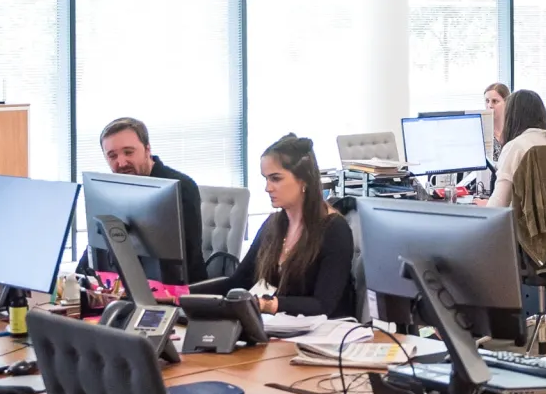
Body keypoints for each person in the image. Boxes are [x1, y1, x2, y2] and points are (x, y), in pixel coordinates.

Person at [216, 135, 355, 318]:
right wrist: (178, 294)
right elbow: (237, 283)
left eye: (276, 179)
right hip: (278, 329)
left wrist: (266, 304)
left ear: (304, 180)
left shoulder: (334, 229)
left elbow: (323, 304)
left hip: (323, 335)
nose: (268, 188)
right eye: (266, 179)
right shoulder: (273, 225)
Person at [96, 116, 207, 283]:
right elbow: (99, 241)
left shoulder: (180, 186)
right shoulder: (114, 190)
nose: (121, 162)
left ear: (147, 149)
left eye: (128, 152)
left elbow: (186, 256)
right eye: (112, 156)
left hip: (180, 290)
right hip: (131, 284)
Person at [487, 89, 546, 211]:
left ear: (511, 117)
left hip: (527, 227)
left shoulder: (516, 147)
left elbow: (497, 206)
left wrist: (483, 207)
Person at [484, 82, 510, 149]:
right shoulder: (482, 132)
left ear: (506, 103)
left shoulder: (514, 132)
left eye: (495, 101)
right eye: (487, 101)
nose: (489, 106)